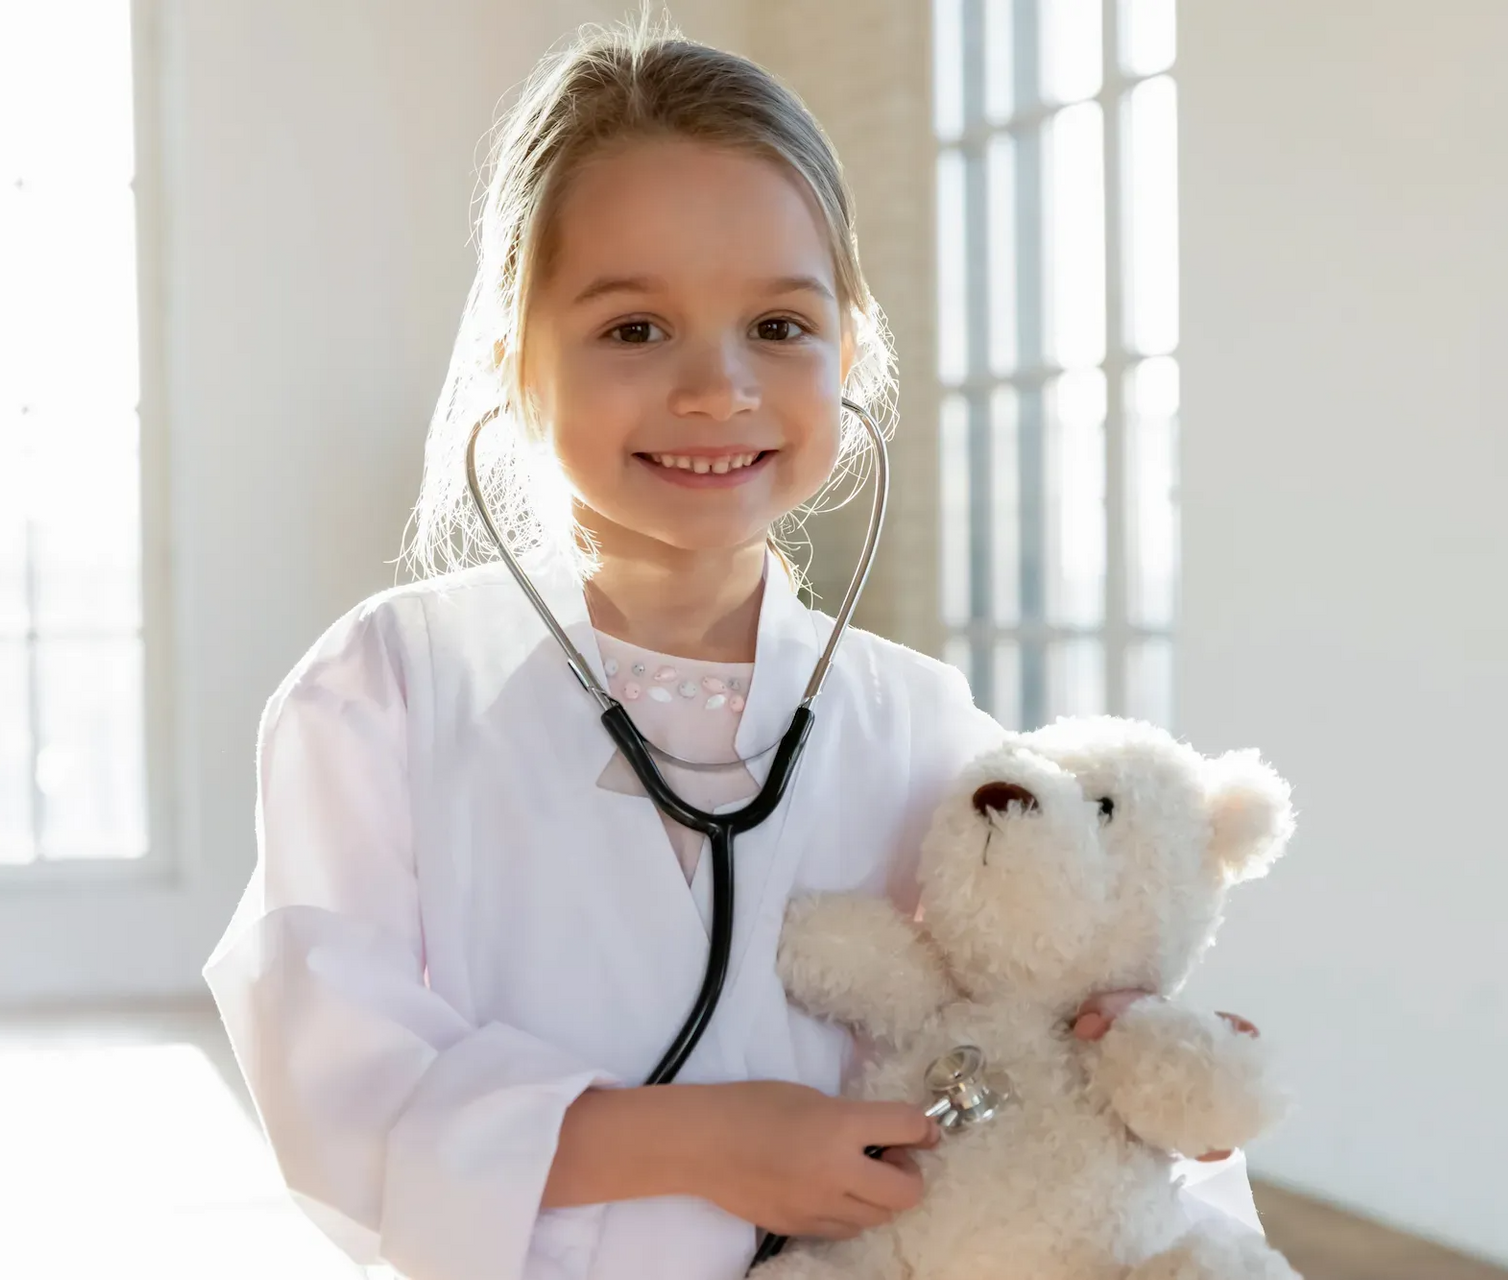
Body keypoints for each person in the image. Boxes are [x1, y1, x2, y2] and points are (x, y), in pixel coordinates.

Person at [204, 19, 1264, 1280]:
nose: (717, 388)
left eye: (778, 324)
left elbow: (1044, 1057)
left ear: (850, 351)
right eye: (633, 329)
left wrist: (1126, 1051)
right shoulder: (386, 692)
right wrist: (701, 1138)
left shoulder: (929, 733)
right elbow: (337, 1086)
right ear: (513, 358)